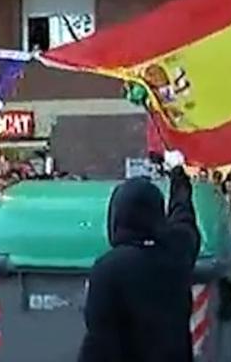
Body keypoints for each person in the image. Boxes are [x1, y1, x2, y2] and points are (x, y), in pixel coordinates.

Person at [78, 154, 200, 362]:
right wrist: (178, 176)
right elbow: (184, 217)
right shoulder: (177, 253)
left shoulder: (108, 268)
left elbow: (98, 339)